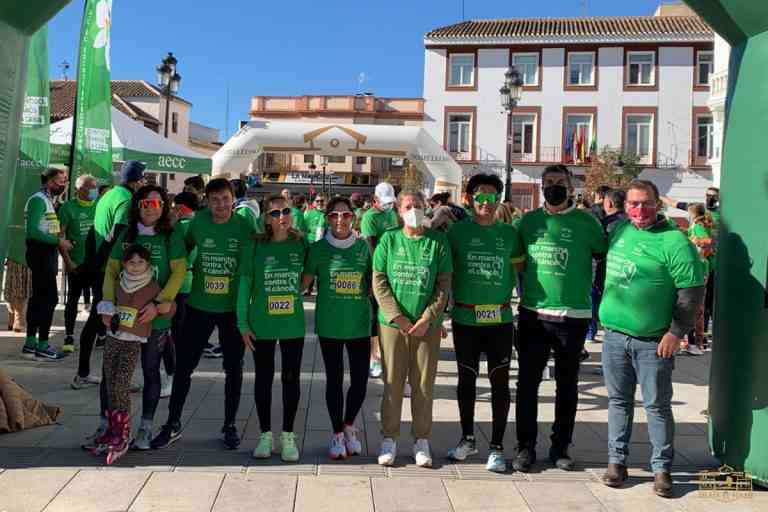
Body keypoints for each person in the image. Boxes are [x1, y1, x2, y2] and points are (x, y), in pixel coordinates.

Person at [599, 179, 705, 498]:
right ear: (625, 206)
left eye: (646, 203)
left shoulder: (676, 241)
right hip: (615, 337)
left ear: (658, 203)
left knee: (657, 406)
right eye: (633, 203)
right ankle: (617, 462)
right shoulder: (619, 231)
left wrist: (676, 333)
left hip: (653, 343)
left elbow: (692, 293)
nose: (639, 209)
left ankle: (662, 468)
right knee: (618, 402)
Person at [513, 165, 607, 472]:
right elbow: (515, 262)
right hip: (533, 315)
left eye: (559, 183)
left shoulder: (587, 222)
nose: (554, 187)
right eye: (548, 183)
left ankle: (560, 446)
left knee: (567, 387)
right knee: (527, 385)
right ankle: (525, 446)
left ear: (571, 186)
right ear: (541, 187)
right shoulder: (528, 222)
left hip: (573, 317)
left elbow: (604, 254)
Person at [83, 185, 187, 451]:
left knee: (151, 371)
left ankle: (144, 428)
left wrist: (161, 303)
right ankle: (107, 426)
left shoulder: (171, 233)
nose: (150, 209)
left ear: (163, 206)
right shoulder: (127, 232)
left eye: (155, 204)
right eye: (145, 203)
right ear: (137, 206)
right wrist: (107, 305)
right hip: (124, 318)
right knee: (111, 373)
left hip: (155, 317)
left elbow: (178, 271)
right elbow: (112, 269)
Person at [152, 179, 252, 450]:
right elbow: (177, 249)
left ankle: (230, 424)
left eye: (225, 198)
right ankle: (172, 422)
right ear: (207, 200)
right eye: (215, 199)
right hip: (199, 306)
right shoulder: (196, 223)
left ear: (234, 199)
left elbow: (251, 267)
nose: (221, 204)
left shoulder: (245, 226)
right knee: (185, 367)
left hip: (231, 310)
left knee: (234, 369)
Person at [446, 174, 525, 473]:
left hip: (500, 319)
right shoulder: (456, 232)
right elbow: (444, 274)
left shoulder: (510, 233)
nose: (485, 202)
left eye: (492, 196)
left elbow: (521, 271)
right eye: (479, 196)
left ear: (498, 201)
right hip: (466, 318)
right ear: (468, 198)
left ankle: (496, 446)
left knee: (499, 382)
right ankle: (467, 438)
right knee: (466, 380)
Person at [372, 190, 452, 468]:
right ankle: (389, 438)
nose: (413, 210)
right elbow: (379, 281)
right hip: (393, 325)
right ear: (398, 209)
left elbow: (443, 286)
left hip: (426, 326)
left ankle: (422, 440)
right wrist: (399, 318)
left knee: (423, 385)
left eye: (418, 206)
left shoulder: (438, 242)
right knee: (393, 383)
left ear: (426, 208)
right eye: (408, 206)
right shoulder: (389, 239)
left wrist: (428, 318)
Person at [238, 195, 307, 462]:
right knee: (264, 378)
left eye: (286, 211)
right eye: (275, 213)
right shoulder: (255, 246)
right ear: (266, 218)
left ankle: (288, 435)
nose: (282, 217)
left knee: (291, 378)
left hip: (292, 324)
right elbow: (244, 285)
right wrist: (242, 323)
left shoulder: (301, 243)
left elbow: (309, 276)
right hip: (262, 323)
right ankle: (265, 434)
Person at [92, 244, 176, 464]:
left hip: (133, 342)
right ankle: (112, 427)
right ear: (124, 264)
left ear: (148, 265)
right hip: (113, 338)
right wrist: (105, 312)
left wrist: (162, 307)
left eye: (140, 262)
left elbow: (169, 306)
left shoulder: (152, 286)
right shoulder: (120, 282)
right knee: (110, 382)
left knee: (121, 383)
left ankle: (123, 431)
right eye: (131, 262)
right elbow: (108, 304)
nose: (136, 267)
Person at [302, 196, 371, 460]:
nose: (340, 220)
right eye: (334, 215)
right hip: (330, 325)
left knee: (361, 382)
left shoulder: (364, 248)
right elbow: (302, 283)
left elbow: (375, 286)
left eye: (345, 215)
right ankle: (336, 434)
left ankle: (350, 426)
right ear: (327, 218)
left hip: (359, 325)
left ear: (353, 218)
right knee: (334, 380)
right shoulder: (318, 249)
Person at [75, 161, 145, 389]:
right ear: (137, 180)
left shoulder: (107, 195)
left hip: (100, 266)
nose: (143, 183)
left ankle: (85, 373)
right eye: (143, 178)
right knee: (112, 323)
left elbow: (94, 235)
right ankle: (113, 380)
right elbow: (114, 237)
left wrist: (90, 264)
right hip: (110, 270)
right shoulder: (126, 201)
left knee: (97, 321)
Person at [22, 167, 72, 360]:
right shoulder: (38, 199)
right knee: (48, 299)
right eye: (60, 181)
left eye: (65, 181)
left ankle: (30, 344)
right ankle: (42, 345)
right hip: (40, 252)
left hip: (46, 252)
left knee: (40, 298)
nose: (63, 185)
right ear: (48, 181)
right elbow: (32, 232)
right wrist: (58, 241)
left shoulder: (49, 200)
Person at [661, 186, 720, 331]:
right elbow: (675, 204)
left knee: (704, 302)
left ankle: (701, 338)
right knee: (702, 303)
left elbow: (708, 240)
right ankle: (702, 336)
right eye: (707, 195)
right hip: (703, 264)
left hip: (710, 264)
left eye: (712, 196)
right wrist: (660, 197)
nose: (709, 198)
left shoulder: (719, 215)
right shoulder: (700, 211)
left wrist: (699, 241)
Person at [361, 182, 400, 379]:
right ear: (375, 199)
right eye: (384, 202)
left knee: (388, 314)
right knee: (374, 318)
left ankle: (386, 355)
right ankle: (373, 357)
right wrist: (376, 278)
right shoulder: (369, 217)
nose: (388, 205)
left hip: (393, 271)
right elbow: (371, 247)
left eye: (390, 202)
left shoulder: (391, 213)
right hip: (375, 272)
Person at [59, 174, 99, 354]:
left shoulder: (100, 205)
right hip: (76, 264)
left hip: (97, 264)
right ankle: (69, 335)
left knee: (100, 300)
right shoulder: (68, 208)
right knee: (72, 300)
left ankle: (101, 334)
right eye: (91, 187)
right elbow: (60, 237)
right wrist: (68, 262)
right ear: (79, 189)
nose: (94, 190)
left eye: (95, 187)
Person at [165, 191, 200, 390]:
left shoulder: (180, 227)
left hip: (177, 284)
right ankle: (179, 373)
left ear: (181, 207)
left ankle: (174, 374)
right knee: (181, 332)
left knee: (173, 332)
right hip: (189, 283)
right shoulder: (197, 225)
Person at [588, 189, 627, 345]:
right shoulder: (630, 223)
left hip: (602, 275)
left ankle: (591, 333)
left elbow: (598, 250)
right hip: (624, 277)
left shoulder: (605, 224)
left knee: (599, 311)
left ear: (609, 203)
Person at [682, 203, 714, 356]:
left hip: (699, 267)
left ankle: (697, 342)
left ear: (693, 213)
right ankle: (695, 341)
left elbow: (707, 243)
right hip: (698, 266)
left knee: (697, 306)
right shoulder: (698, 224)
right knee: (696, 305)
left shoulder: (698, 225)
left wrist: (695, 242)